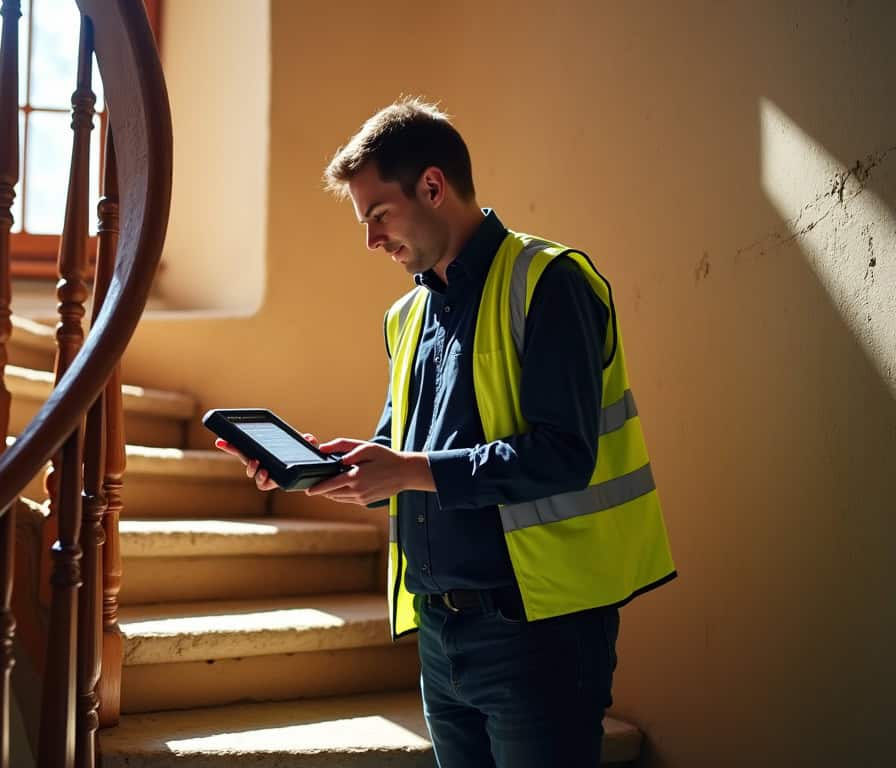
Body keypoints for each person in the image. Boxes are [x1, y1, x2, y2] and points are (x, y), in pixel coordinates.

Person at [215, 97, 675, 767]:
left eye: (377, 215)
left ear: (433, 186)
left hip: (537, 634)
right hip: (439, 634)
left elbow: (563, 456)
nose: (370, 240)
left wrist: (405, 470)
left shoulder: (549, 281)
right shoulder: (406, 318)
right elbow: (399, 458)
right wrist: (325, 470)